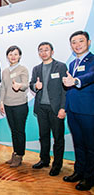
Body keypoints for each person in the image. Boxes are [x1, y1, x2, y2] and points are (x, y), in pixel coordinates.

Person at [62, 31, 94, 191]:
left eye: (80, 41)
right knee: (78, 144)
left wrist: (76, 80)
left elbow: (90, 76)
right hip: (72, 109)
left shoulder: (92, 60)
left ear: (88, 42)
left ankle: (90, 177)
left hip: (88, 110)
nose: (77, 44)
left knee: (90, 145)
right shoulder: (72, 64)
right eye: (74, 42)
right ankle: (79, 171)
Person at [29, 42, 67, 176]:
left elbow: (65, 90)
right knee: (43, 136)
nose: (43, 52)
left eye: (46, 50)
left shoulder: (61, 66)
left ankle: (57, 165)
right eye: (41, 50)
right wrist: (35, 86)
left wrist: (63, 108)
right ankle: (44, 160)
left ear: (52, 52)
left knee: (58, 138)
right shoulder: (36, 69)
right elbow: (31, 84)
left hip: (56, 109)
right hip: (41, 108)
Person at [0, 45, 29, 167]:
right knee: (13, 131)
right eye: (10, 54)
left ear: (20, 56)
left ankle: (19, 155)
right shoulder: (5, 71)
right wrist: (1, 102)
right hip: (8, 104)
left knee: (19, 131)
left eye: (16, 54)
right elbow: (3, 87)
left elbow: (26, 84)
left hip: (20, 105)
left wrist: (19, 86)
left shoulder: (23, 69)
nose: (13, 56)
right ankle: (15, 152)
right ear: (7, 56)